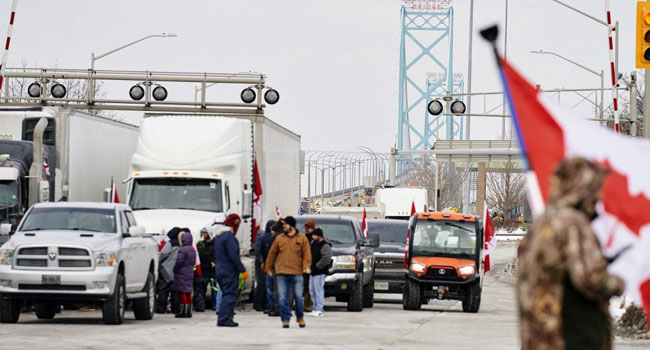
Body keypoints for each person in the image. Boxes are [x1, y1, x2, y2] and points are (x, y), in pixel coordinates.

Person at [517, 158, 625, 350]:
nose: (597, 196)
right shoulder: (573, 223)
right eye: (594, 189)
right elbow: (590, 279)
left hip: (540, 338)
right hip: (572, 336)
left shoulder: (543, 223)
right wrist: (618, 282)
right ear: (581, 188)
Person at [264, 216, 311, 328]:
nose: (284, 226)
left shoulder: (302, 239)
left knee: (298, 296)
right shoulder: (279, 238)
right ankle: (285, 319)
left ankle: (300, 317)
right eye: (283, 224)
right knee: (282, 297)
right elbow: (271, 254)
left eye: (286, 224)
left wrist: (306, 266)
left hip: (297, 272)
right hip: (281, 272)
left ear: (292, 225)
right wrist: (268, 268)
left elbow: (307, 254)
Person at [214, 214, 248, 327]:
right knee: (230, 295)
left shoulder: (218, 237)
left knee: (225, 294)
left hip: (219, 270)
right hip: (229, 271)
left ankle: (224, 317)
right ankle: (225, 319)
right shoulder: (229, 238)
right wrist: (242, 270)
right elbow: (234, 256)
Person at [155, 227, 181, 314]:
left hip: (166, 270)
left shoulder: (170, 243)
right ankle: (176, 309)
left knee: (163, 291)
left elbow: (164, 253)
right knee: (175, 292)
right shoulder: (182, 244)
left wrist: (159, 262)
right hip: (177, 271)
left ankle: (161, 309)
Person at [172, 229, 197, 318]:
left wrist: (175, 269)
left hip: (182, 273)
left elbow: (179, 261)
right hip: (190, 272)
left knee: (182, 292)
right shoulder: (192, 250)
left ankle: (182, 311)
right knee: (188, 292)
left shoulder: (182, 250)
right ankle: (189, 311)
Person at [308, 228, 332, 317]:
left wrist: (317, 266)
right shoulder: (314, 243)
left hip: (320, 272)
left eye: (314, 235)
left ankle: (319, 309)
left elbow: (326, 258)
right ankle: (315, 308)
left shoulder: (325, 245)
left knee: (318, 290)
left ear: (319, 236)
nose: (312, 237)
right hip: (313, 271)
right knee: (312, 290)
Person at [253, 220, 274, 311]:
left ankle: (266, 304)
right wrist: (261, 262)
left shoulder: (273, 237)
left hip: (269, 264)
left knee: (268, 284)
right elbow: (258, 251)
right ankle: (257, 304)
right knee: (261, 283)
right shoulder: (261, 237)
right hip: (260, 264)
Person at [193, 226, 215, 312]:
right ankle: (200, 306)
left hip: (212, 269)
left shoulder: (215, 244)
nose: (204, 234)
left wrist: (213, 261)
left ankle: (215, 304)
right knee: (201, 288)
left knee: (214, 288)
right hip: (203, 269)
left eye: (205, 233)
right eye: (203, 233)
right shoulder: (201, 244)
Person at [264, 220, 283, 317]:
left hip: (275, 265)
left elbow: (269, 252)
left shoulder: (275, 237)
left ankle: (275, 308)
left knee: (272, 287)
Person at [303, 219, 316, 313]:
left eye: (309, 227)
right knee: (304, 285)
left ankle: (309, 305)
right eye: (306, 227)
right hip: (302, 265)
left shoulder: (314, 239)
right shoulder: (303, 238)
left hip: (312, 265)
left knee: (310, 286)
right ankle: (305, 304)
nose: (307, 229)